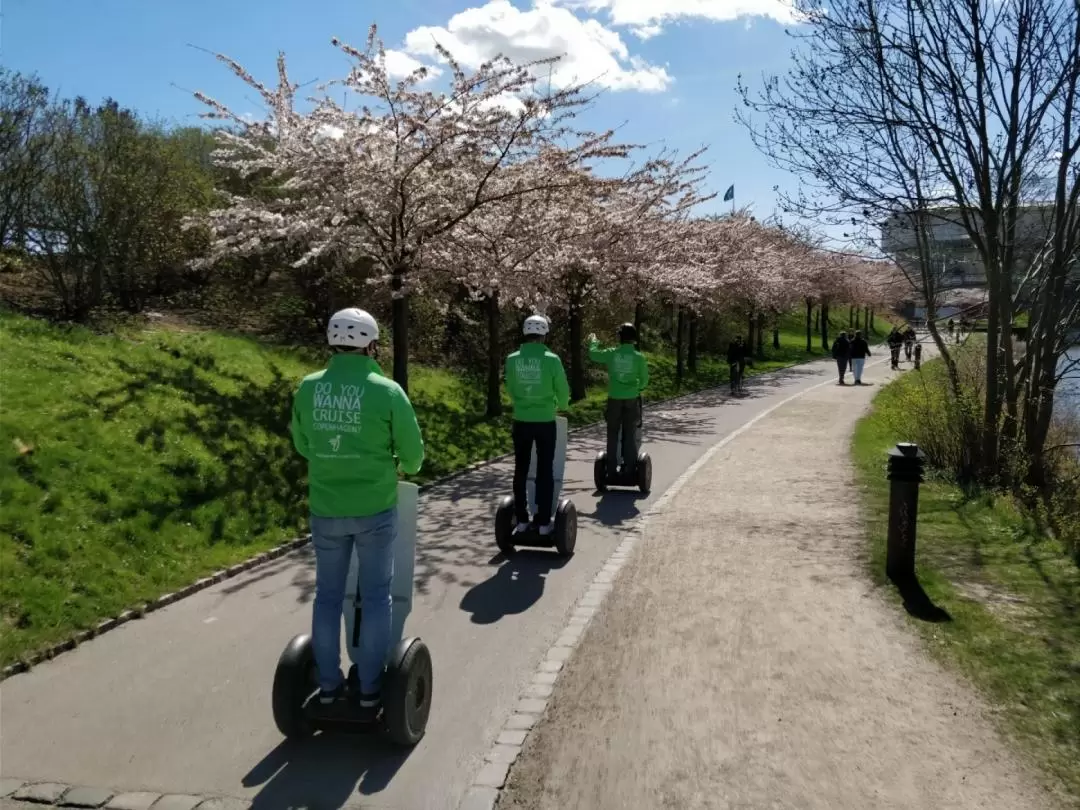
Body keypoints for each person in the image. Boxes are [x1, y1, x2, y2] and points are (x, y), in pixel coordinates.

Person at [290, 308, 425, 712]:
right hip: (375, 509)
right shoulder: (387, 391)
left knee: (328, 597)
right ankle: (369, 689)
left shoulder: (308, 387)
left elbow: (302, 442)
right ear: (370, 344)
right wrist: (402, 464)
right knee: (377, 595)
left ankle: (329, 686)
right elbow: (414, 455)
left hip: (326, 507)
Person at [505, 314, 570, 536]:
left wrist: (521, 402)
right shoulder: (552, 359)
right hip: (545, 421)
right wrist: (561, 405)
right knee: (545, 469)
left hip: (521, 420)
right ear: (543, 335)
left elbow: (511, 387)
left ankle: (521, 520)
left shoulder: (512, 359)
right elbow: (562, 390)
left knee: (520, 469)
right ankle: (543, 522)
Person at [588, 323, 649, 478]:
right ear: (634, 339)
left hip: (614, 398)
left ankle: (611, 469)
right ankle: (629, 469)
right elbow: (644, 381)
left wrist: (594, 341)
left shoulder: (612, 353)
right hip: (631, 398)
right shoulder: (638, 357)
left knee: (612, 433)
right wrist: (637, 388)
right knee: (630, 433)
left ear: (620, 337)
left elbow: (593, 354)